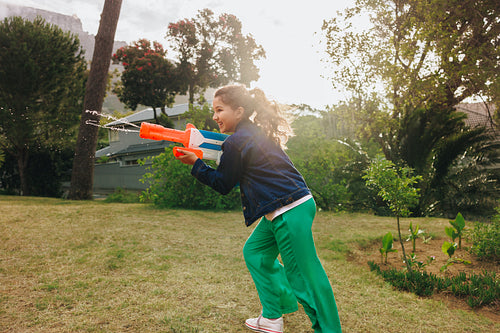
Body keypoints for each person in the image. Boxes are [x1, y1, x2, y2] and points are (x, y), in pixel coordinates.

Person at [176, 85, 342, 333]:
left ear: (239, 111)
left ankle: (329, 330)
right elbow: (227, 153)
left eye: (219, 110)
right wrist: (196, 142)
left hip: (288, 210)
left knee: (305, 278)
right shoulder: (250, 135)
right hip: (287, 206)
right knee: (256, 253)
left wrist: (195, 163)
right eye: (214, 111)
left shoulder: (237, 142)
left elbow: (223, 182)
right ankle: (272, 318)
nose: (215, 116)